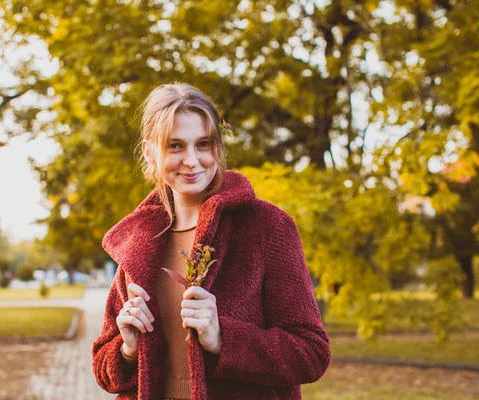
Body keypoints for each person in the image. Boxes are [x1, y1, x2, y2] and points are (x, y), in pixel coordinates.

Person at [92, 83, 330, 400]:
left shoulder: (267, 227)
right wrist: (127, 348)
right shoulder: (139, 240)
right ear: (150, 152)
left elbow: (311, 353)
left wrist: (223, 339)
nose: (191, 160)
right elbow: (104, 371)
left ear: (217, 147)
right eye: (175, 146)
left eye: (202, 144)